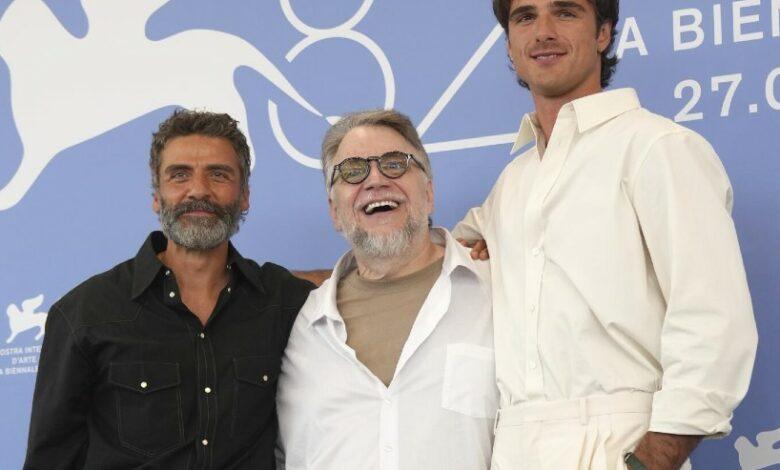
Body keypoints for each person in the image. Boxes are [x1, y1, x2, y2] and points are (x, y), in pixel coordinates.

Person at [453, 1, 758, 469]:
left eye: (565, 12)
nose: (543, 31)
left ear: (603, 33)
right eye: (525, 17)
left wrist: (651, 460)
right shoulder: (513, 182)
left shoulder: (657, 148)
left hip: (619, 440)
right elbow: (435, 258)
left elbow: (713, 320)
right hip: (511, 446)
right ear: (510, 45)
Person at [24, 110, 313, 470]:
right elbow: (51, 459)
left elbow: (361, 284)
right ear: (157, 197)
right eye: (179, 175)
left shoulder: (284, 302)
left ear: (244, 196)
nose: (199, 190)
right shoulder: (85, 314)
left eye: (218, 174)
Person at [276, 109, 498, 470]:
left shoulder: (498, 288)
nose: (376, 180)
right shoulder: (300, 328)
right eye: (352, 171)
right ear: (334, 211)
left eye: (395, 164)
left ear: (429, 193)